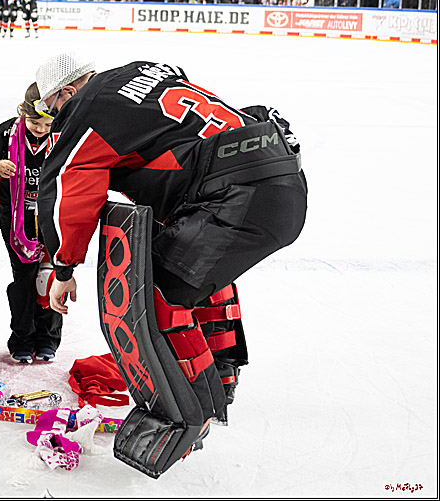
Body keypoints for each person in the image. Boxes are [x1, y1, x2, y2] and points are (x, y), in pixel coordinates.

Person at [33, 51, 307, 478]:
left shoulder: (87, 108)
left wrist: (63, 268)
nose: (54, 119)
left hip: (236, 195)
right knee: (192, 269)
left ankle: (186, 414)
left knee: (154, 292)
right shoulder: (145, 71)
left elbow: (68, 189)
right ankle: (221, 374)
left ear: (67, 92)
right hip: (278, 179)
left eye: (53, 109)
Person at [0, 83, 61, 364]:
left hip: (54, 219)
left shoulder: (65, 133)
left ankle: (48, 338)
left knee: (51, 277)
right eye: (34, 122)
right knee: (25, 279)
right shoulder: (7, 133)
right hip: (16, 220)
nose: (41, 129)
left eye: (47, 123)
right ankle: (21, 338)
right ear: (23, 113)